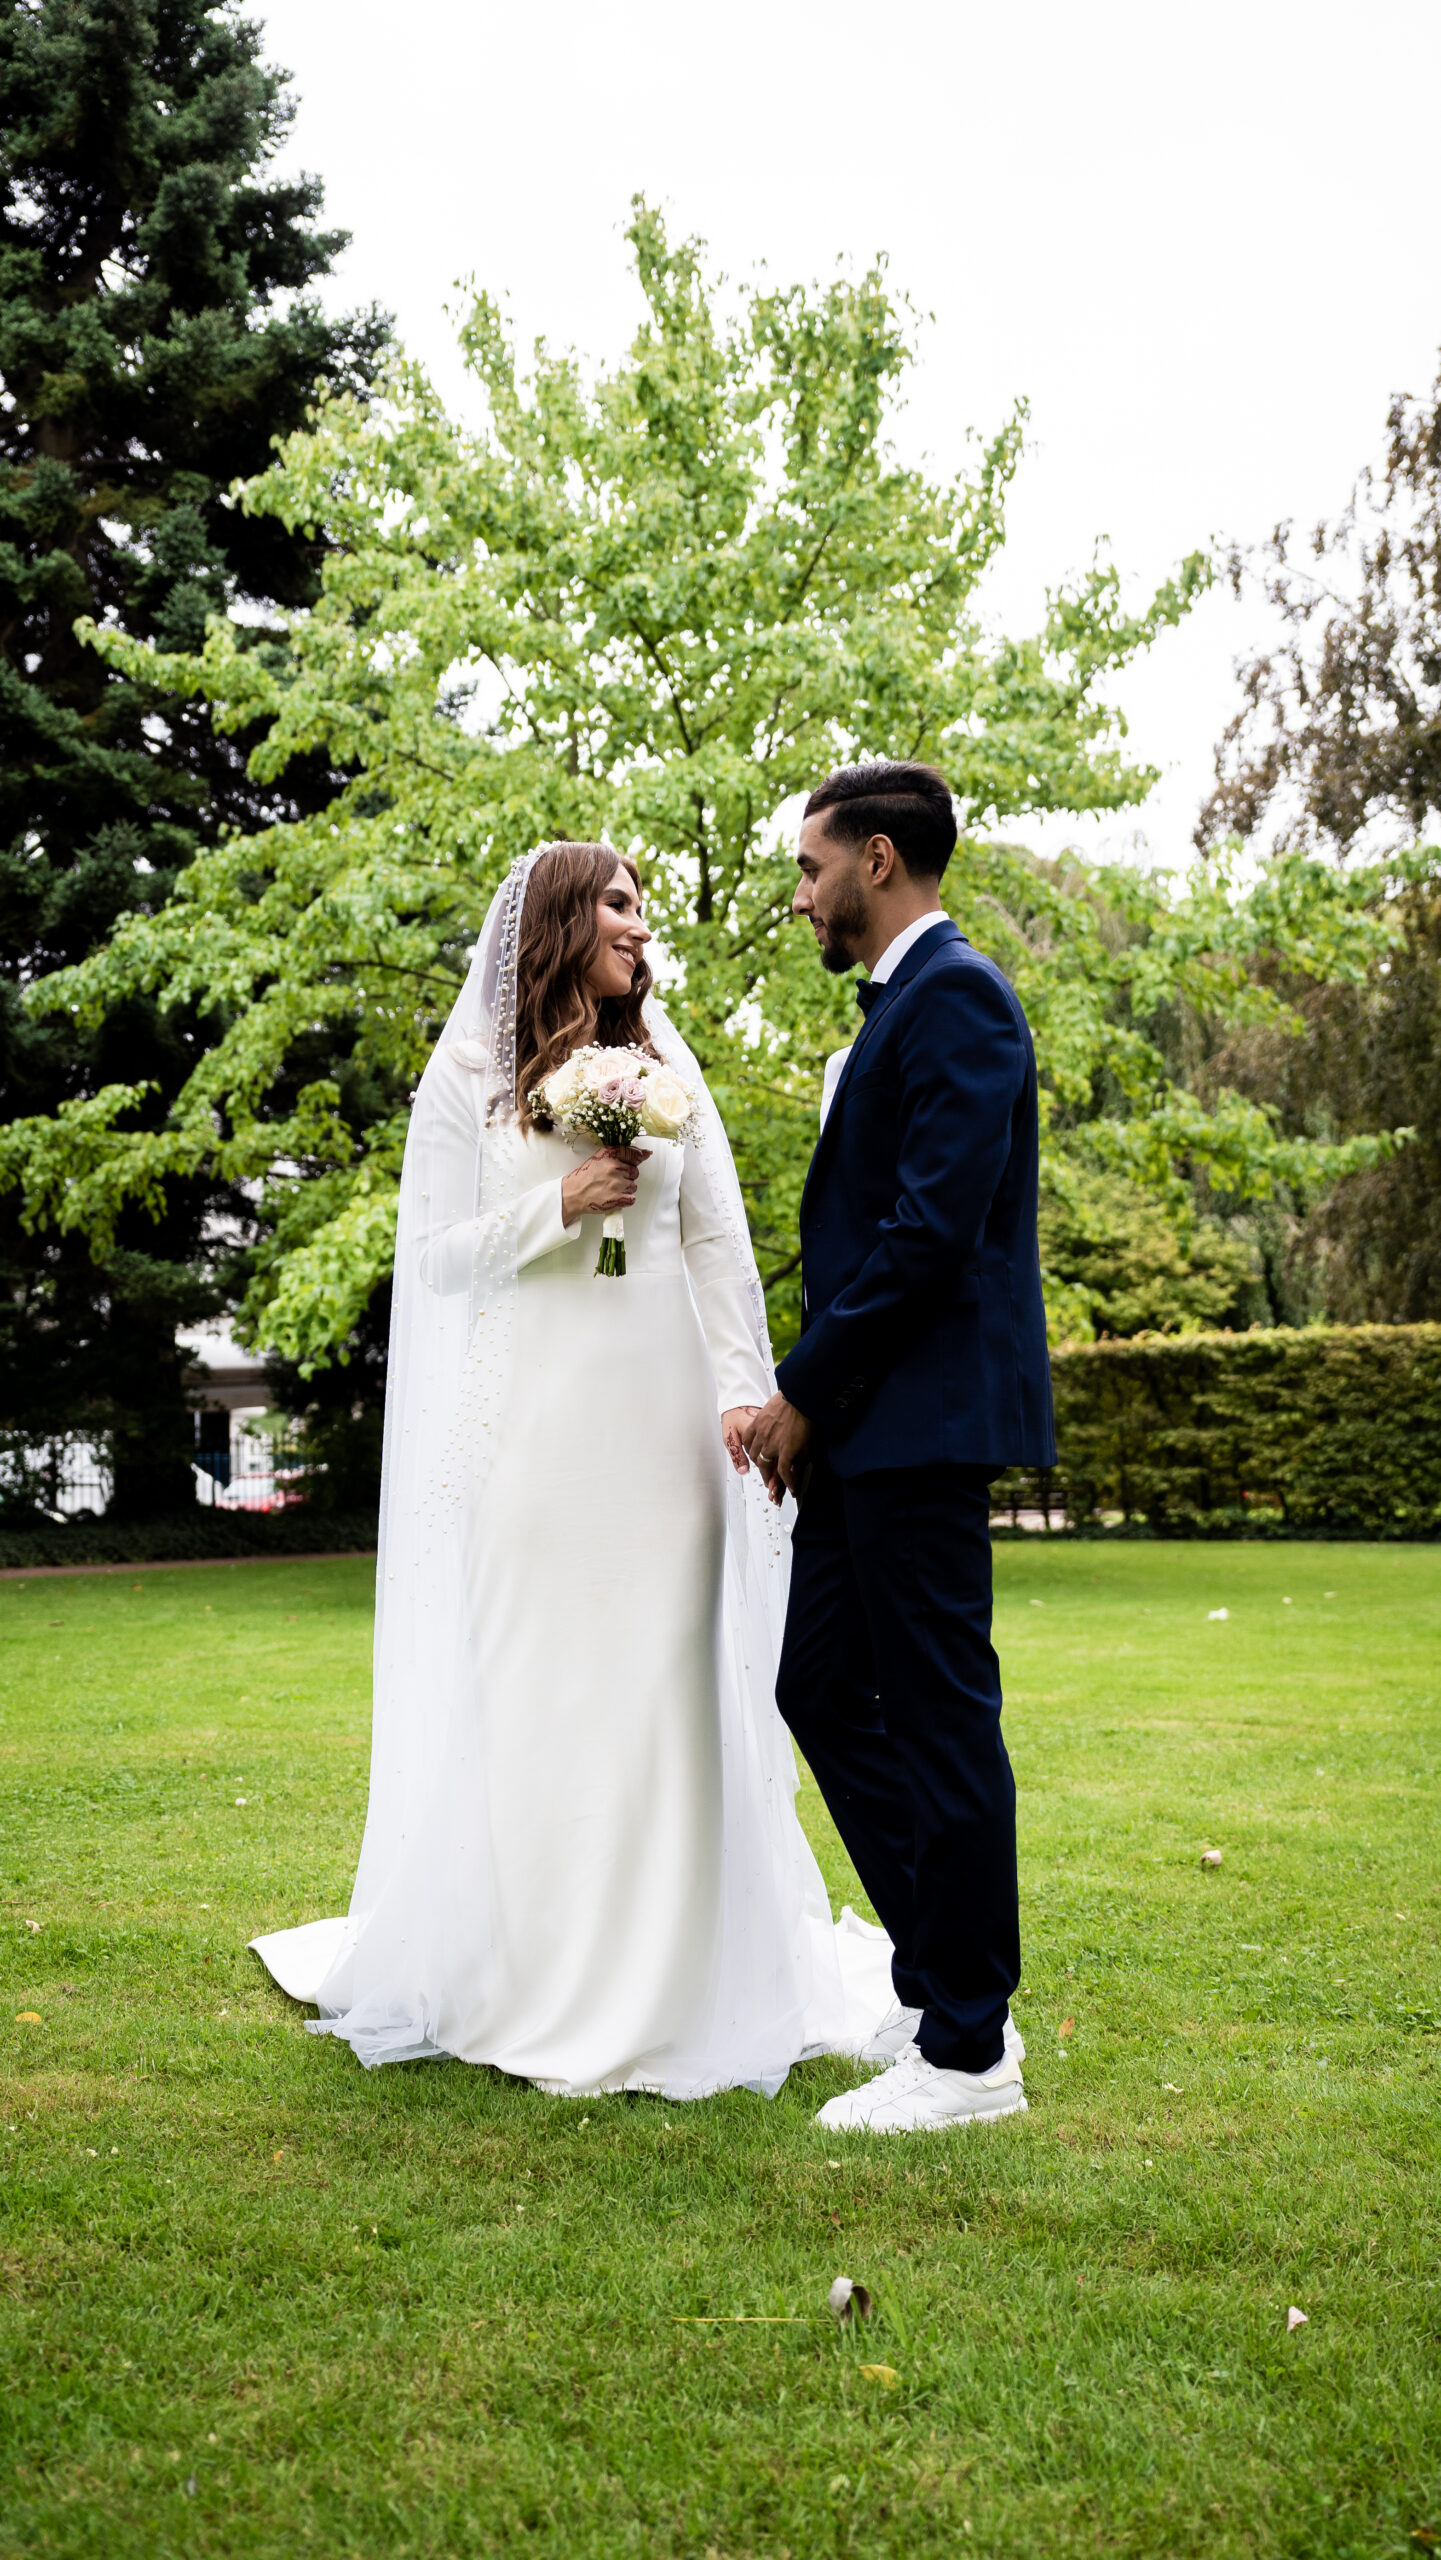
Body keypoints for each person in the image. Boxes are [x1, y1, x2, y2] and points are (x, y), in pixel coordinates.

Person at [251, 842, 894, 2096]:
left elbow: (715, 1246)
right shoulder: (472, 1078)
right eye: (615, 902)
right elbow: (429, 1261)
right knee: (541, 1686)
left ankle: (669, 1987)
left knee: (663, 1688)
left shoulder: (666, 1064)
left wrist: (744, 1394)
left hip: (662, 1435)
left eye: (643, 907)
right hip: (534, 1437)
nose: (636, 926)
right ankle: (537, 1976)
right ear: (556, 918)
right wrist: (561, 1208)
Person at [743, 761, 1055, 2134]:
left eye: (811, 868)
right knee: (817, 1685)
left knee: (939, 1719)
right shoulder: (889, 1018)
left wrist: (800, 1390)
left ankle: (971, 2051)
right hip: (862, 1435)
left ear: (876, 861)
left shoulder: (961, 1000)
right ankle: (933, 1979)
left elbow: (929, 1239)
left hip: (915, 1425)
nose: (801, 895)